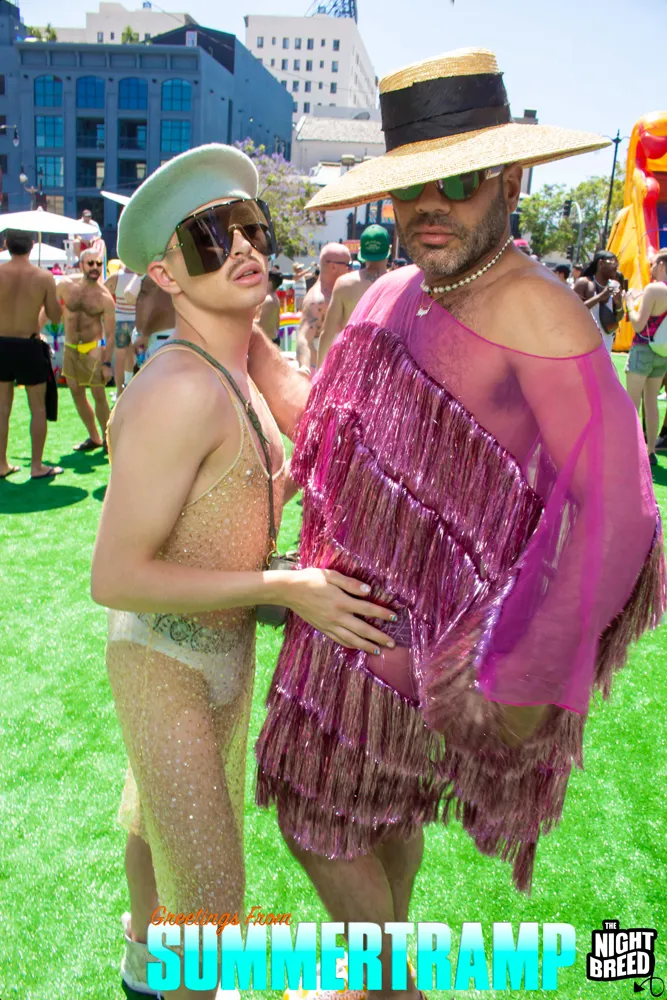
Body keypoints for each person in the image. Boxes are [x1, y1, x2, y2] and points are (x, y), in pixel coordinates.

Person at [248, 49, 664, 1000]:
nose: (430, 207)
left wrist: (521, 675)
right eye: (409, 187)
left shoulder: (537, 310)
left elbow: (619, 512)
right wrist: (250, 351)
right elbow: (340, 430)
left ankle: (388, 985)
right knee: (381, 819)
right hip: (345, 631)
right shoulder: (389, 290)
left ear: (510, 182)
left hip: (422, 653)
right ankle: (376, 977)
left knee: (313, 822)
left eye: (460, 181)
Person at [91, 144, 395, 1000]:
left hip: (221, 655)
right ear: (166, 275)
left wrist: (289, 493)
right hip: (166, 660)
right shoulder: (178, 389)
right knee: (214, 911)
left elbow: (239, 485)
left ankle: (141, 960)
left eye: (250, 228)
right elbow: (114, 576)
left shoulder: (235, 366)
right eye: (208, 236)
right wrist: (280, 586)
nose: (241, 247)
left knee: (158, 817)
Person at [0, 229, 63, 478]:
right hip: (29, 345)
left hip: (1, 344)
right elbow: (55, 317)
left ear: (6, 244)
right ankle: (37, 466)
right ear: (32, 246)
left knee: (2, 408)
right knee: (37, 408)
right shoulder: (44, 277)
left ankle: (1, 464)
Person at [59, 249, 115, 452]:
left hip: (93, 348)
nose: (95, 268)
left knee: (98, 394)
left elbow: (111, 334)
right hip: (70, 347)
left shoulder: (104, 297)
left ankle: (109, 440)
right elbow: (48, 309)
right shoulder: (65, 285)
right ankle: (94, 437)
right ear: (81, 264)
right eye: (90, 263)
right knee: (76, 393)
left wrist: (107, 363)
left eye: (98, 264)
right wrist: (36, 330)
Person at [317, 224, 391, 367]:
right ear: (389, 250)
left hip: (352, 365)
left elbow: (327, 333)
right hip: (386, 367)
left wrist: (319, 372)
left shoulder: (344, 284)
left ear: (361, 251)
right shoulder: (400, 283)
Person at [625, 249, 667, 465]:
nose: (650, 268)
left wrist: (629, 303)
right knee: (651, 403)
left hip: (643, 349)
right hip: (662, 353)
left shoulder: (654, 289)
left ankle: (631, 450)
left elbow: (638, 324)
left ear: (661, 265)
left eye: (653, 264)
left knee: (631, 403)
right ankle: (650, 450)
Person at [295, 244, 351, 370]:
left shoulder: (338, 293)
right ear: (333, 267)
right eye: (348, 265)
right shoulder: (317, 301)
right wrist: (307, 369)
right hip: (324, 373)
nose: (351, 270)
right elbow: (304, 340)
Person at [574, 250, 624, 352]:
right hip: (584, 343)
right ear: (601, 263)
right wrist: (600, 296)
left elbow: (618, 318)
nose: (616, 267)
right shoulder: (584, 283)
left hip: (606, 344)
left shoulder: (614, 286)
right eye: (613, 263)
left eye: (617, 264)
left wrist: (619, 303)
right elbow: (573, 310)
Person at [105, 263, 137, 396]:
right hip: (136, 320)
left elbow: (101, 292)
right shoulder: (139, 277)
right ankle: (127, 387)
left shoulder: (116, 277)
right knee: (130, 356)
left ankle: (119, 391)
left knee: (120, 356)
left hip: (121, 320)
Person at [256, 267, 283, 344]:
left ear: (269, 283)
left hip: (268, 341)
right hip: (269, 340)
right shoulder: (273, 298)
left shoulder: (269, 300)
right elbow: (277, 323)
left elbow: (261, 324)